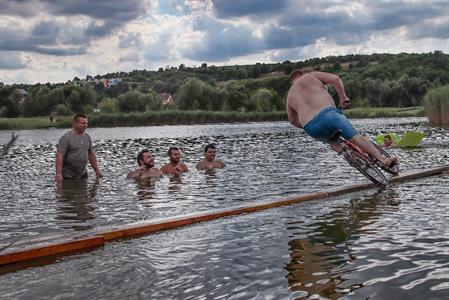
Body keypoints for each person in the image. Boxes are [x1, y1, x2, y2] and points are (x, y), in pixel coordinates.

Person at [286, 70, 397, 167]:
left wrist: (308, 124)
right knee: (356, 138)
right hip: (329, 115)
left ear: (291, 82)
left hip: (311, 127)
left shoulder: (289, 96)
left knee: (334, 144)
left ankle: (357, 160)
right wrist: (343, 97)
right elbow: (336, 79)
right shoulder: (310, 76)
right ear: (302, 74)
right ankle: (383, 160)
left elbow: (293, 121)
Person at [55, 113, 102, 183]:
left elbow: (91, 154)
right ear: (75, 124)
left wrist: (97, 171)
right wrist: (58, 174)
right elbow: (59, 156)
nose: (85, 125)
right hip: (67, 175)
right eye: (83, 123)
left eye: (86, 123)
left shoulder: (87, 137)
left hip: (82, 174)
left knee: (84, 193)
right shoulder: (66, 138)